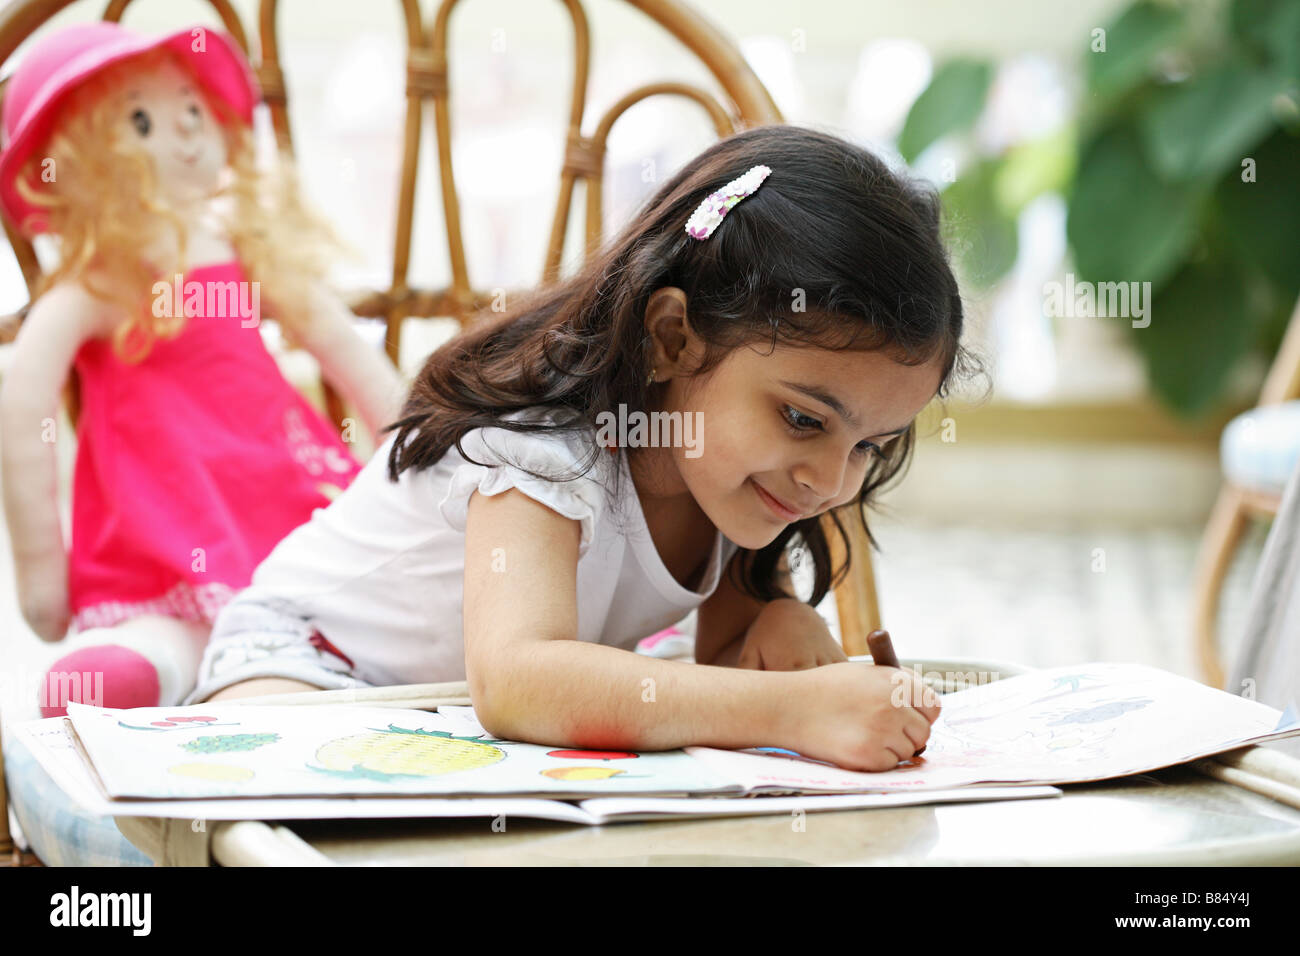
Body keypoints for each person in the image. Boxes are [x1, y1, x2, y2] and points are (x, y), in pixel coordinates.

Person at [187, 124, 984, 772]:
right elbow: (518, 678)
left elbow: (722, 656)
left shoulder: (734, 481)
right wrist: (787, 711)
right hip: (311, 668)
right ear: (673, 337)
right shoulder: (543, 449)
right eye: (805, 420)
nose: (829, 480)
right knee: (288, 806)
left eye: (871, 447)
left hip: (450, 730)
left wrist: (770, 632)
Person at [0, 23, 404, 716]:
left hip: (281, 484)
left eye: (193, 110)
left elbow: (339, 343)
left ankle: (315, 661)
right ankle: (153, 663)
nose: (186, 134)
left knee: (337, 595)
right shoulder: (98, 286)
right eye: (142, 119)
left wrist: (414, 450)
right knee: (178, 628)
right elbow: (23, 394)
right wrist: (43, 571)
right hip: (167, 507)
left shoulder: (245, 257)